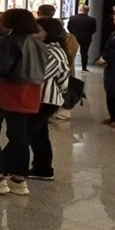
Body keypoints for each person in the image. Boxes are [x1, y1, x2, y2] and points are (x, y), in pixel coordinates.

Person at [0, 8, 46, 196]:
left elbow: (1, 69)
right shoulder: (38, 43)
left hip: (6, 91)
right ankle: (19, 180)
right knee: (19, 136)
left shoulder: (6, 41)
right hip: (29, 92)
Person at [28, 18, 70, 181]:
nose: (33, 33)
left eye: (37, 30)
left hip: (46, 99)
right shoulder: (43, 48)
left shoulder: (53, 52)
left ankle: (3, 169)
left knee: (26, 134)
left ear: (49, 32)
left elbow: (38, 75)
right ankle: (43, 169)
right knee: (38, 135)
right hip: (39, 98)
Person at [67, 4, 97, 73]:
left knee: (72, 53)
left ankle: (70, 66)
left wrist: (73, 33)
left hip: (74, 37)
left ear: (80, 9)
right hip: (86, 38)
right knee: (84, 53)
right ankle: (84, 68)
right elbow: (93, 30)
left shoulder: (72, 18)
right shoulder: (92, 19)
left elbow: (69, 27)